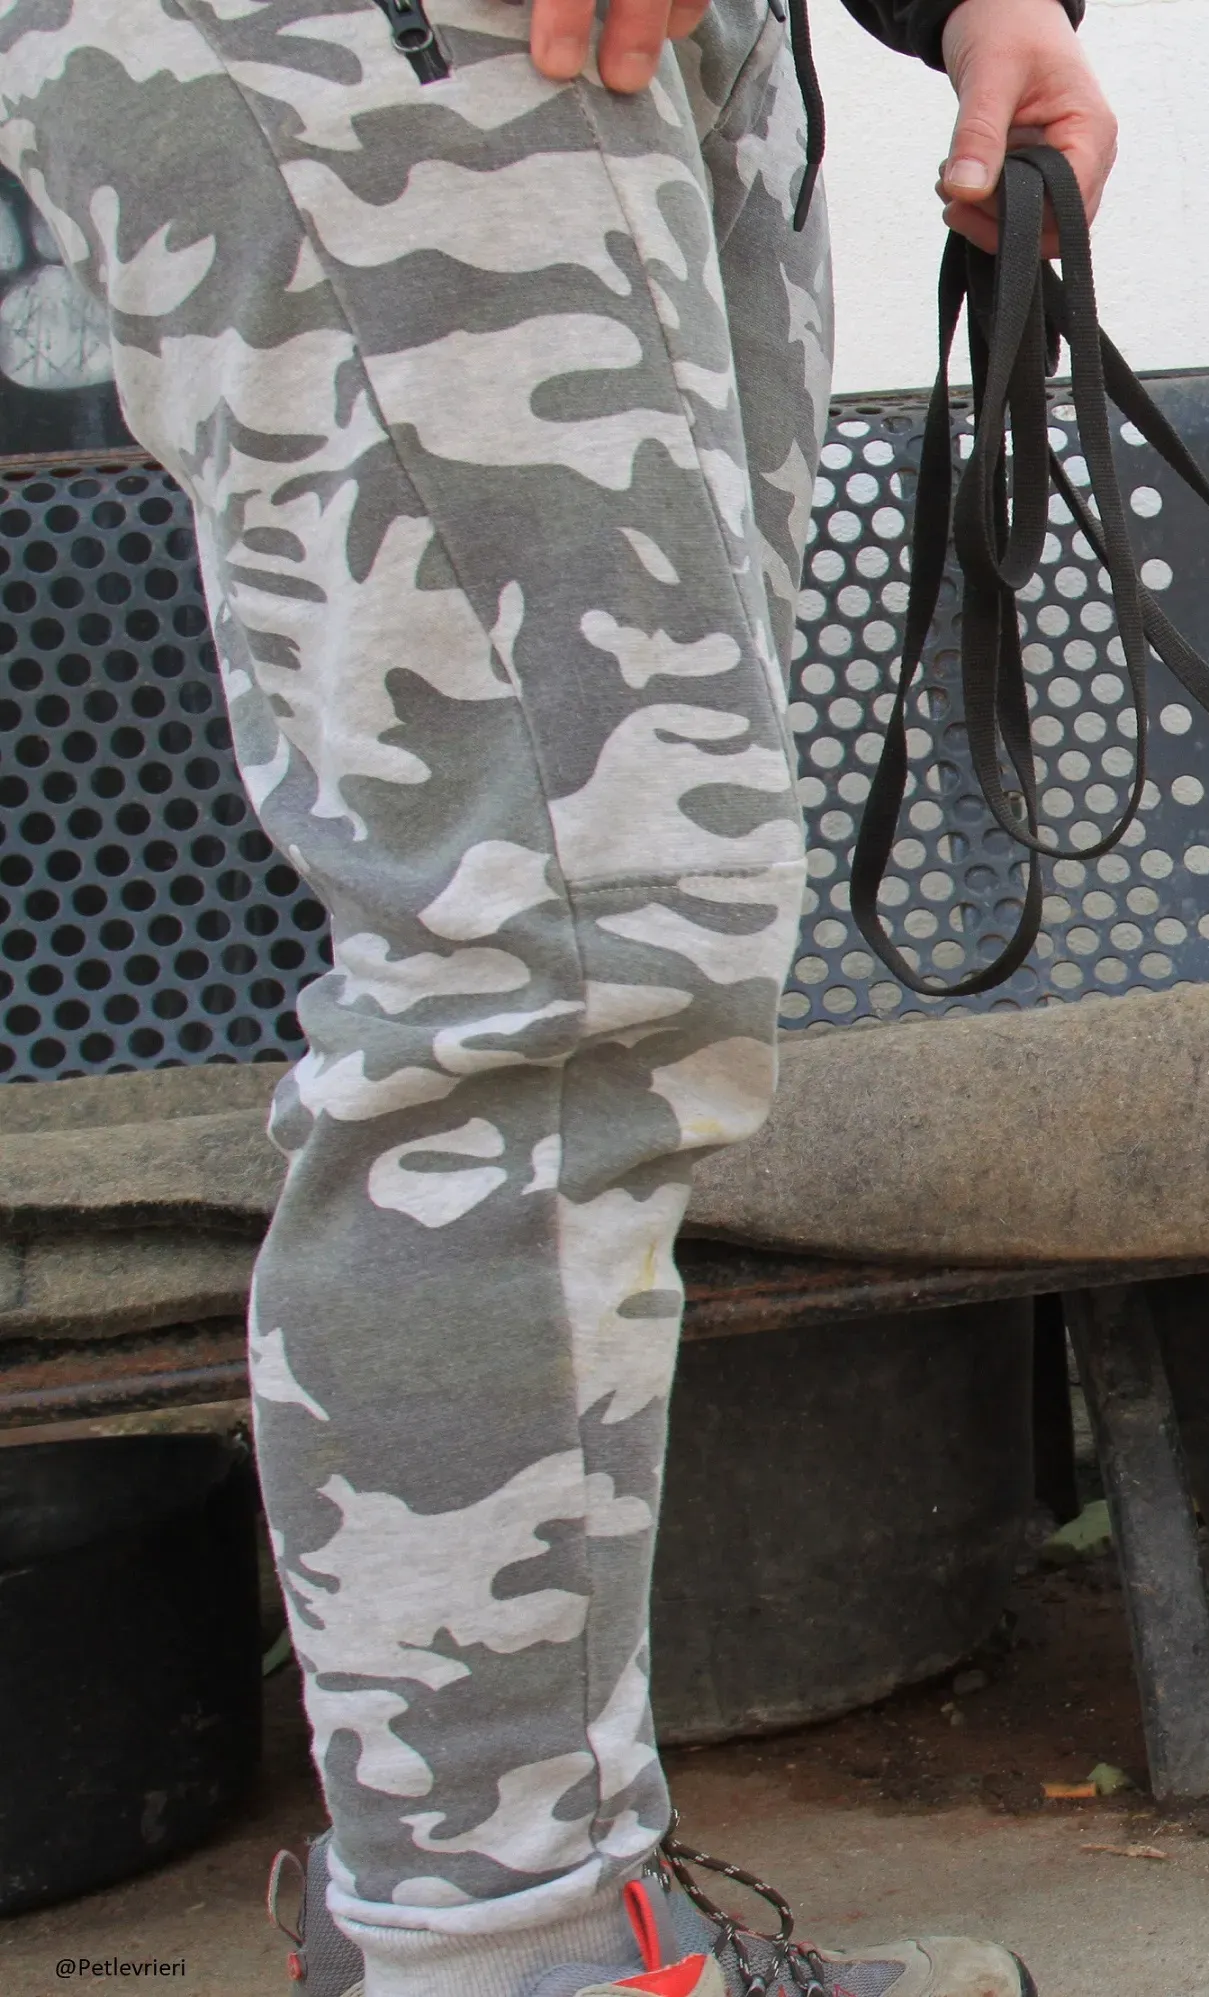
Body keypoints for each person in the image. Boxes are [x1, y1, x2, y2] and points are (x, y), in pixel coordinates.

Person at [0, 0, 1113, 1991]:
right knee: (550, 973)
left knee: (619, 958)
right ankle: (499, 1952)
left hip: (677, 54)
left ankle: (540, 1916)